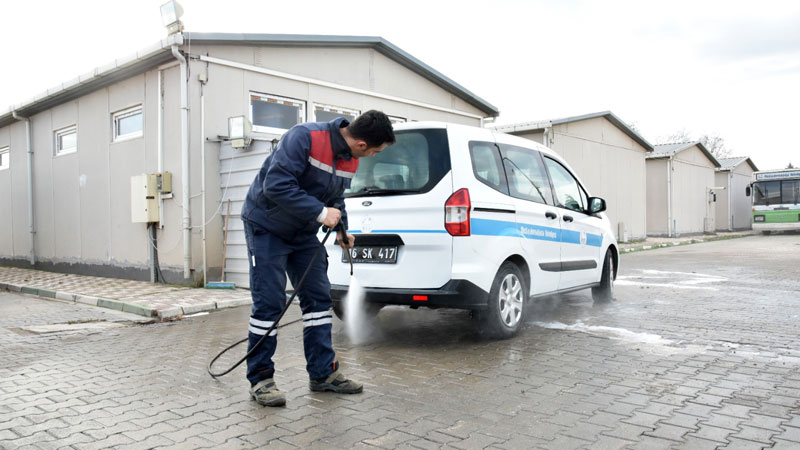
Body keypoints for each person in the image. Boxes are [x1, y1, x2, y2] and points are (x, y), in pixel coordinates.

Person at [240, 110, 396, 407]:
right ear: (361, 143)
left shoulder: (351, 158)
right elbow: (276, 186)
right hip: (266, 227)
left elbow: (335, 196)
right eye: (375, 151)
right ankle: (260, 378)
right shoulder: (304, 137)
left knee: (318, 299)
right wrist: (322, 214)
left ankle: (323, 374)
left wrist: (341, 227)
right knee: (269, 303)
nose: (373, 156)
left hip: (301, 232)